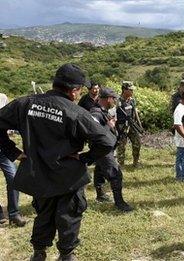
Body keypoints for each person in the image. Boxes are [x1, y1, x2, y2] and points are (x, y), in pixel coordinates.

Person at [0, 64, 115, 261]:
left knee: (43, 214)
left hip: (39, 174)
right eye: (80, 90)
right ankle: (67, 255)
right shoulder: (75, 112)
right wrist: (85, 157)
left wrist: (14, 152)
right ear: (73, 90)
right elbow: (107, 141)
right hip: (68, 176)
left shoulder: (25, 104)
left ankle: (38, 253)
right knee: (69, 216)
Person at [90, 88, 134, 212]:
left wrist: (110, 125)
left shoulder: (103, 111)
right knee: (116, 174)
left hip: (104, 149)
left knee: (99, 170)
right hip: (102, 149)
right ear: (108, 98)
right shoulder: (96, 113)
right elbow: (92, 130)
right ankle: (119, 203)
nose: (115, 100)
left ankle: (100, 195)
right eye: (113, 98)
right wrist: (108, 126)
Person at [0, 93, 26, 227]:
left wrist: (15, 153)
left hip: (2, 149)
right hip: (4, 147)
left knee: (14, 178)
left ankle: (14, 214)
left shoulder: (2, 98)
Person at [116, 81, 142, 167]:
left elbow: (135, 112)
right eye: (130, 90)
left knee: (137, 143)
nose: (132, 92)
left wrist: (139, 125)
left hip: (132, 125)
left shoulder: (132, 100)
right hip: (121, 126)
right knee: (121, 145)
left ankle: (136, 162)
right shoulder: (118, 101)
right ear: (124, 90)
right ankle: (120, 164)